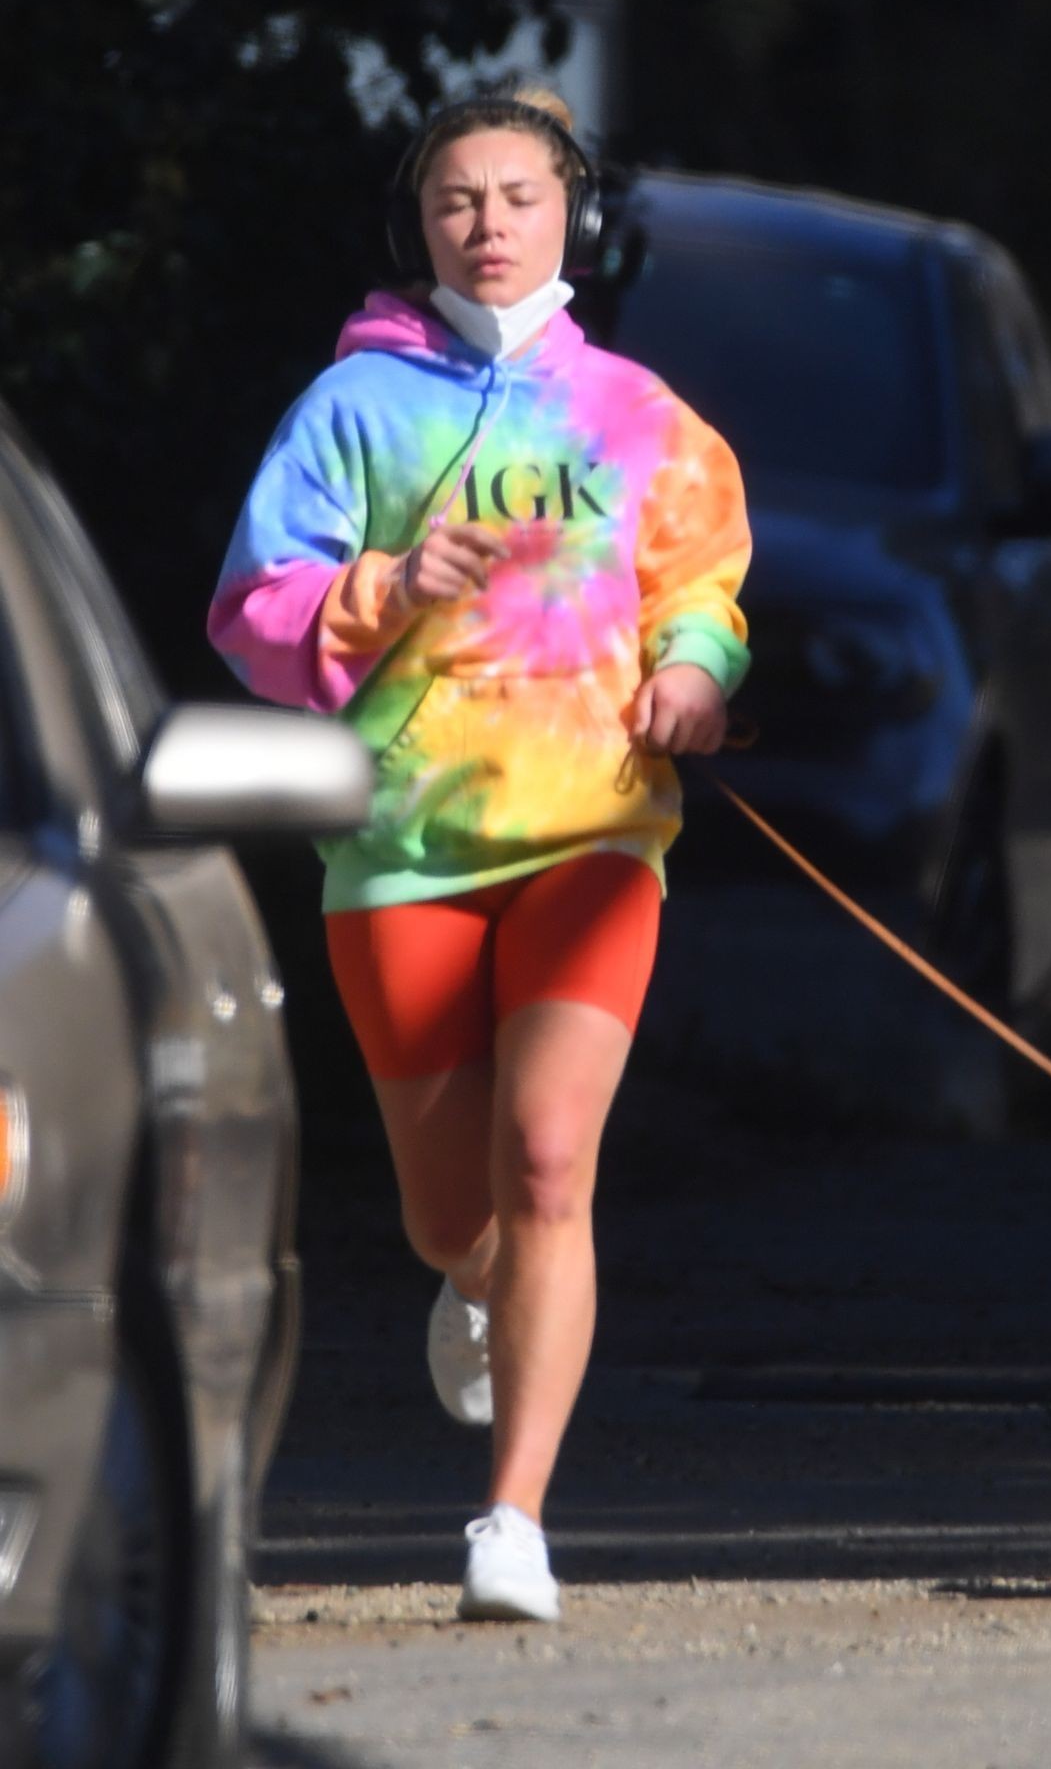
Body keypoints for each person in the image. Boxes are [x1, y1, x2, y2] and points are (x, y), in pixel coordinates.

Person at [208, 86, 751, 1622]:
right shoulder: (351, 410)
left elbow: (702, 585)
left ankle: (512, 1520)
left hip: (595, 833)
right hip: (404, 845)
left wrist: (694, 674)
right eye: (458, 200)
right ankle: (471, 1283)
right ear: (421, 225)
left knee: (551, 1162)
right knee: (454, 1215)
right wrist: (385, 588)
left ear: (575, 213)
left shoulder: (641, 416)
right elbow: (252, 614)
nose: (489, 225)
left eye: (519, 196)